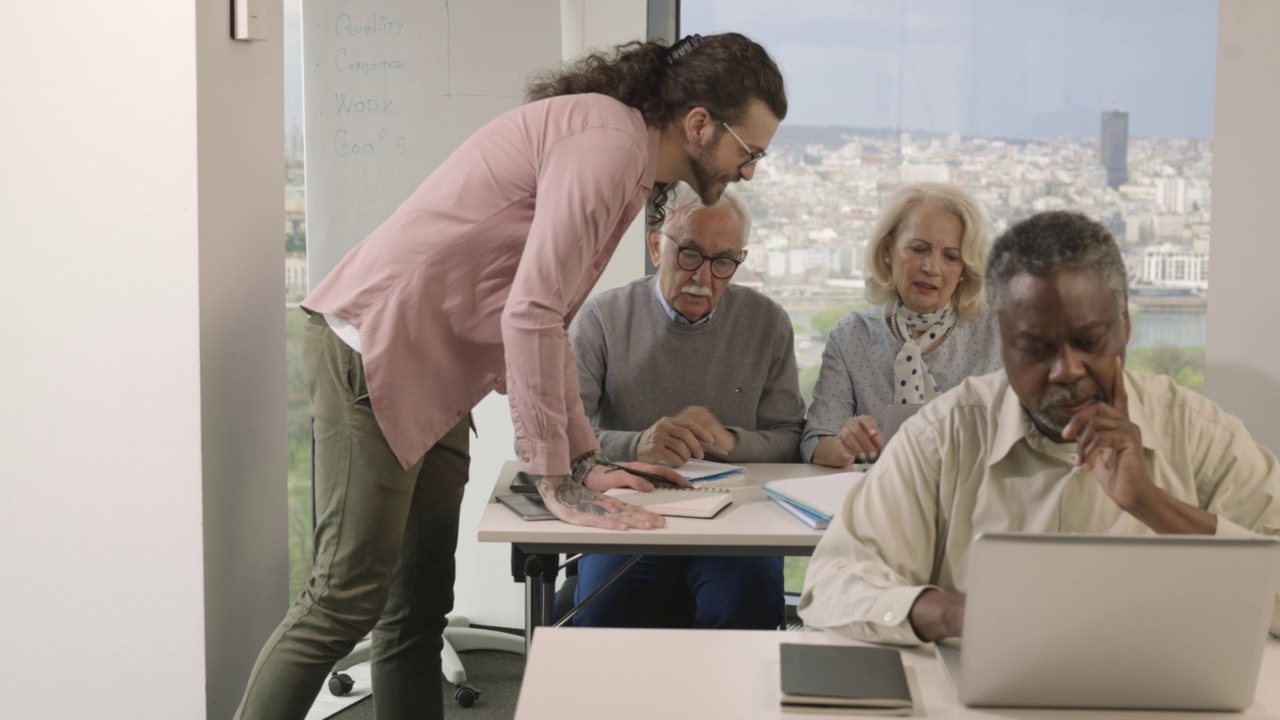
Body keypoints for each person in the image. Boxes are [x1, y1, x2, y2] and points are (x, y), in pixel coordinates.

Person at [234, 33, 787, 720]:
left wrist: (584, 461)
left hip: (434, 372)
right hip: (373, 349)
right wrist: (553, 479)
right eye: (750, 149)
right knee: (343, 600)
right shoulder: (610, 146)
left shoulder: (625, 154)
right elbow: (529, 314)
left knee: (418, 607)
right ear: (700, 123)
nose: (751, 169)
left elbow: (545, 321)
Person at [798, 210, 1280, 646]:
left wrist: (1151, 505)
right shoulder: (944, 434)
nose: (1065, 371)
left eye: (1088, 341)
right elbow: (831, 585)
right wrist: (957, 614)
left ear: (1126, 325)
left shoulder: (1198, 433)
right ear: (1001, 344)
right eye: (1034, 348)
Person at [567, 183, 805, 628]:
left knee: (743, 606)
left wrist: (729, 440)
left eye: (723, 263)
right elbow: (563, 434)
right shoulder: (602, 318)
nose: (703, 278)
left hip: (735, 516)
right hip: (631, 509)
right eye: (689, 255)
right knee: (608, 612)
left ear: (740, 260)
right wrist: (637, 445)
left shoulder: (767, 322)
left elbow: (792, 439)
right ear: (656, 247)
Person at [802, 183, 1002, 467]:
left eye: (950, 256)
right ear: (888, 249)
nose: (931, 268)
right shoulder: (851, 336)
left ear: (963, 270)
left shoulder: (997, 336)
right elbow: (816, 442)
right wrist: (843, 445)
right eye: (919, 249)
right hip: (876, 499)